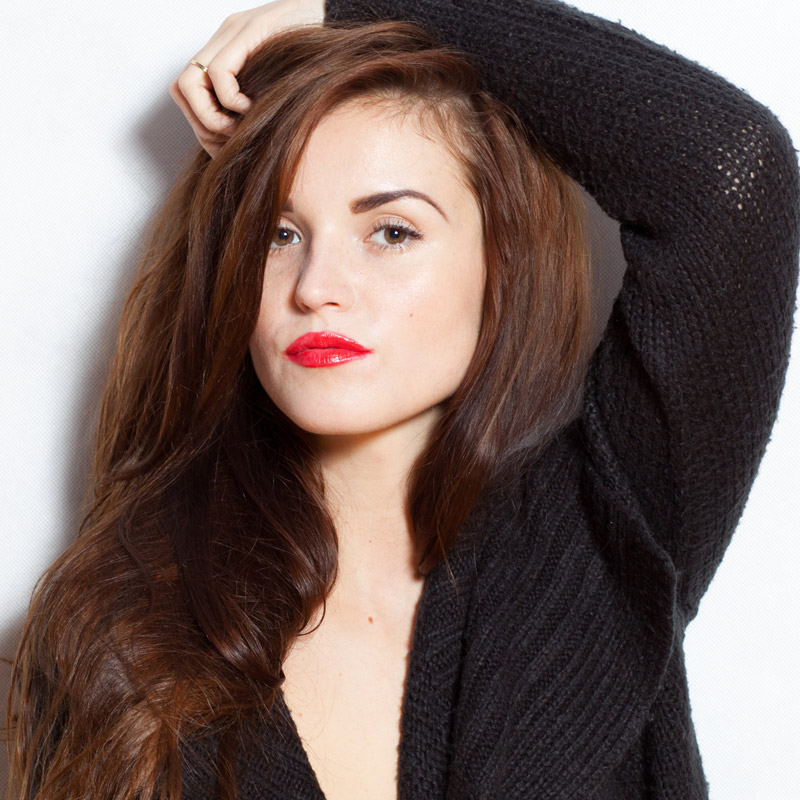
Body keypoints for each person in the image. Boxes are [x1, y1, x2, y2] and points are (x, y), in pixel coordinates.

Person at [7, 1, 798, 800]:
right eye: (278, 233)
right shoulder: (120, 631)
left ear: (500, 263)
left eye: (391, 232)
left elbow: (731, 171)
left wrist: (349, 6)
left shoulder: (598, 538)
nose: (316, 288)